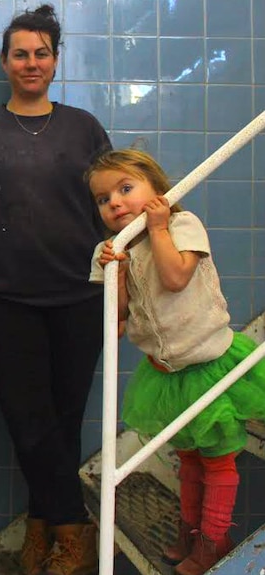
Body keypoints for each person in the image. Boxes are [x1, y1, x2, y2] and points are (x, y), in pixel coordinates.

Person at [0, 5, 111, 575]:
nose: (30, 62)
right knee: (27, 420)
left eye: (41, 53)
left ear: (55, 61)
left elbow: (116, 206)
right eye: (20, 54)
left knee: (62, 422)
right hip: (2, 301)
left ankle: (42, 527)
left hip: (81, 298)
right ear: (6, 63)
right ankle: (75, 531)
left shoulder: (84, 127)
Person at [88, 148, 265, 575]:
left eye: (126, 188)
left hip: (210, 365)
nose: (114, 202)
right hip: (165, 376)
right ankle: (189, 530)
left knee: (218, 459)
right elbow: (120, 318)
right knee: (186, 457)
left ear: (158, 190)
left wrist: (159, 227)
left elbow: (175, 276)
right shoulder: (109, 250)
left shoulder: (182, 225)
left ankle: (213, 538)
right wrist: (119, 270)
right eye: (102, 198)